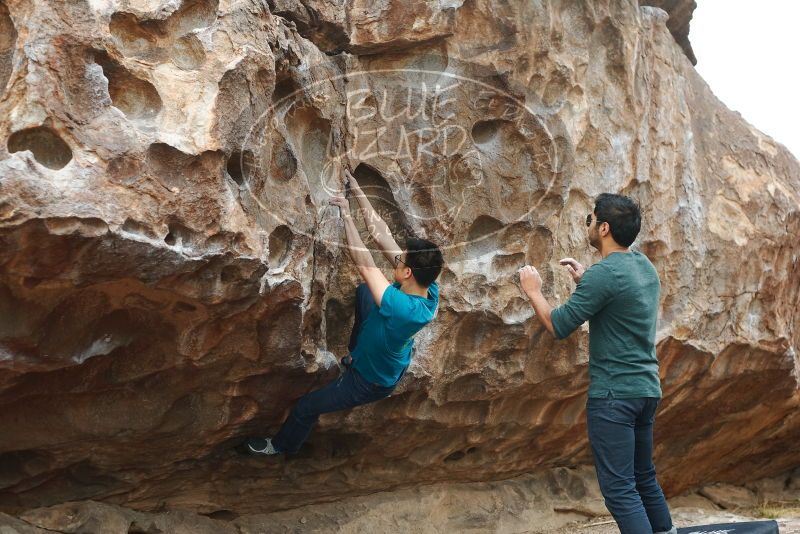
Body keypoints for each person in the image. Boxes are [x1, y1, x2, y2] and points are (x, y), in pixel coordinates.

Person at [245, 168, 443, 456]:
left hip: (368, 381)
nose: (396, 258)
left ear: (408, 272)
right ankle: (355, 351)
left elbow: (364, 262)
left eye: (401, 261)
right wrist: (358, 192)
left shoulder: (403, 309)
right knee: (365, 294)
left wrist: (347, 216)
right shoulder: (428, 287)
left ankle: (280, 448)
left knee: (306, 407)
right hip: (384, 350)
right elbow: (381, 236)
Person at [517, 193, 676, 534]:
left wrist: (533, 291)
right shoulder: (643, 266)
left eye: (589, 220)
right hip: (646, 390)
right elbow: (623, 299)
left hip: (614, 397)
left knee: (620, 490)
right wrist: (586, 280)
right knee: (644, 478)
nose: (586, 226)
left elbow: (559, 325)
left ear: (604, 228)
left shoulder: (603, 276)